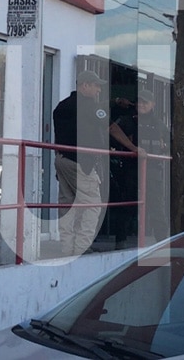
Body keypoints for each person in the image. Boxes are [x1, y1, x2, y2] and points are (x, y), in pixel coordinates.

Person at [52, 69, 110, 256]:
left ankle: (67, 248)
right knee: (93, 205)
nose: (98, 90)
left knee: (67, 205)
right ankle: (82, 247)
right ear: (85, 85)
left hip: (62, 159)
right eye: (96, 86)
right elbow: (108, 124)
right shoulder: (89, 106)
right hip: (81, 162)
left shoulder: (61, 106)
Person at [109, 90, 160, 249]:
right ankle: (120, 241)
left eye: (145, 102)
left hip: (152, 170)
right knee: (126, 204)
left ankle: (163, 241)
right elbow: (111, 135)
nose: (141, 105)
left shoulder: (159, 123)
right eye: (139, 102)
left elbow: (167, 143)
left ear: (153, 104)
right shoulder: (127, 120)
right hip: (130, 169)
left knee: (157, 206)